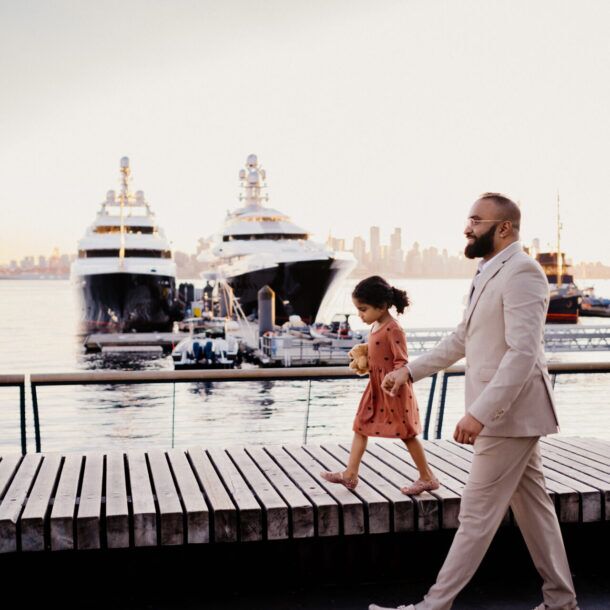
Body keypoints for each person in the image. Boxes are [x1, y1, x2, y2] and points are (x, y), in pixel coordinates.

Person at [370, 194, 578, 610]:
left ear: (504, 228)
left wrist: (479, 414)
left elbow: (522, 354)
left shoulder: (523, 273)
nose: (467, 227)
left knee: (476, 515)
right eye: (468, 219)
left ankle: (435, 605)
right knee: (536, 512)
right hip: (513, 416)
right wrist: (408, 371)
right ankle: (561, 601)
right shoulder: (489, 270)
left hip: (508, 416)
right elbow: (463, 339)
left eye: (475, 220)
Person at [320, 275, 439, 495]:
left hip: (392, 390)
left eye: (363, 309)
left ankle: (427, 477)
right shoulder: (377, 324)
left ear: (382, 306)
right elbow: (378, 349)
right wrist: (366, 353)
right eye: (358, 309)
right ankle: (350, 474)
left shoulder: (394, 329)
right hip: (374, 387)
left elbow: (401, 360)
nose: (360, 315)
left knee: (407, 433)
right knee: (360, 425)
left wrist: (392, 377)